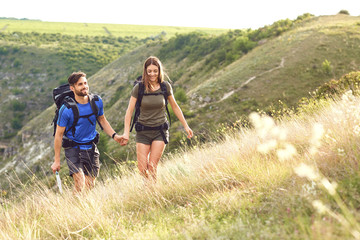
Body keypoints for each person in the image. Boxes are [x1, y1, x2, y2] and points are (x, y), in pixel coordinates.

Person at [120, 56, 193, 183]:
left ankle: (153, 193)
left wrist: (186, 126)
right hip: (143, 132)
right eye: (149, 71)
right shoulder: (139, 88)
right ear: (145, 72)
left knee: (152, 166)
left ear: (159, 71)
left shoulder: (165, 87)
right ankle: (149, 188)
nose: (152, 74)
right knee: (142, 169)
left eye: (155, 71)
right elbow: (129, 111)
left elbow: (175, 107)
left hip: (160, 131)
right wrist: (126, 132)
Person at [51, 71, 122, 193]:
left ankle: (82, 209)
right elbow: (59, 135)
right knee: (80, 184)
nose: (84, 86)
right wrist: (56, 160)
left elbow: (102, 120)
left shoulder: (96, 101)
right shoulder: (66, 109)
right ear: (72, 88)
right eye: (80, 84)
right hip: (73, 148)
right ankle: (72, 210)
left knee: (90, 185)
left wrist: (115, 136)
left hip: (91, 147)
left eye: (85, 83)